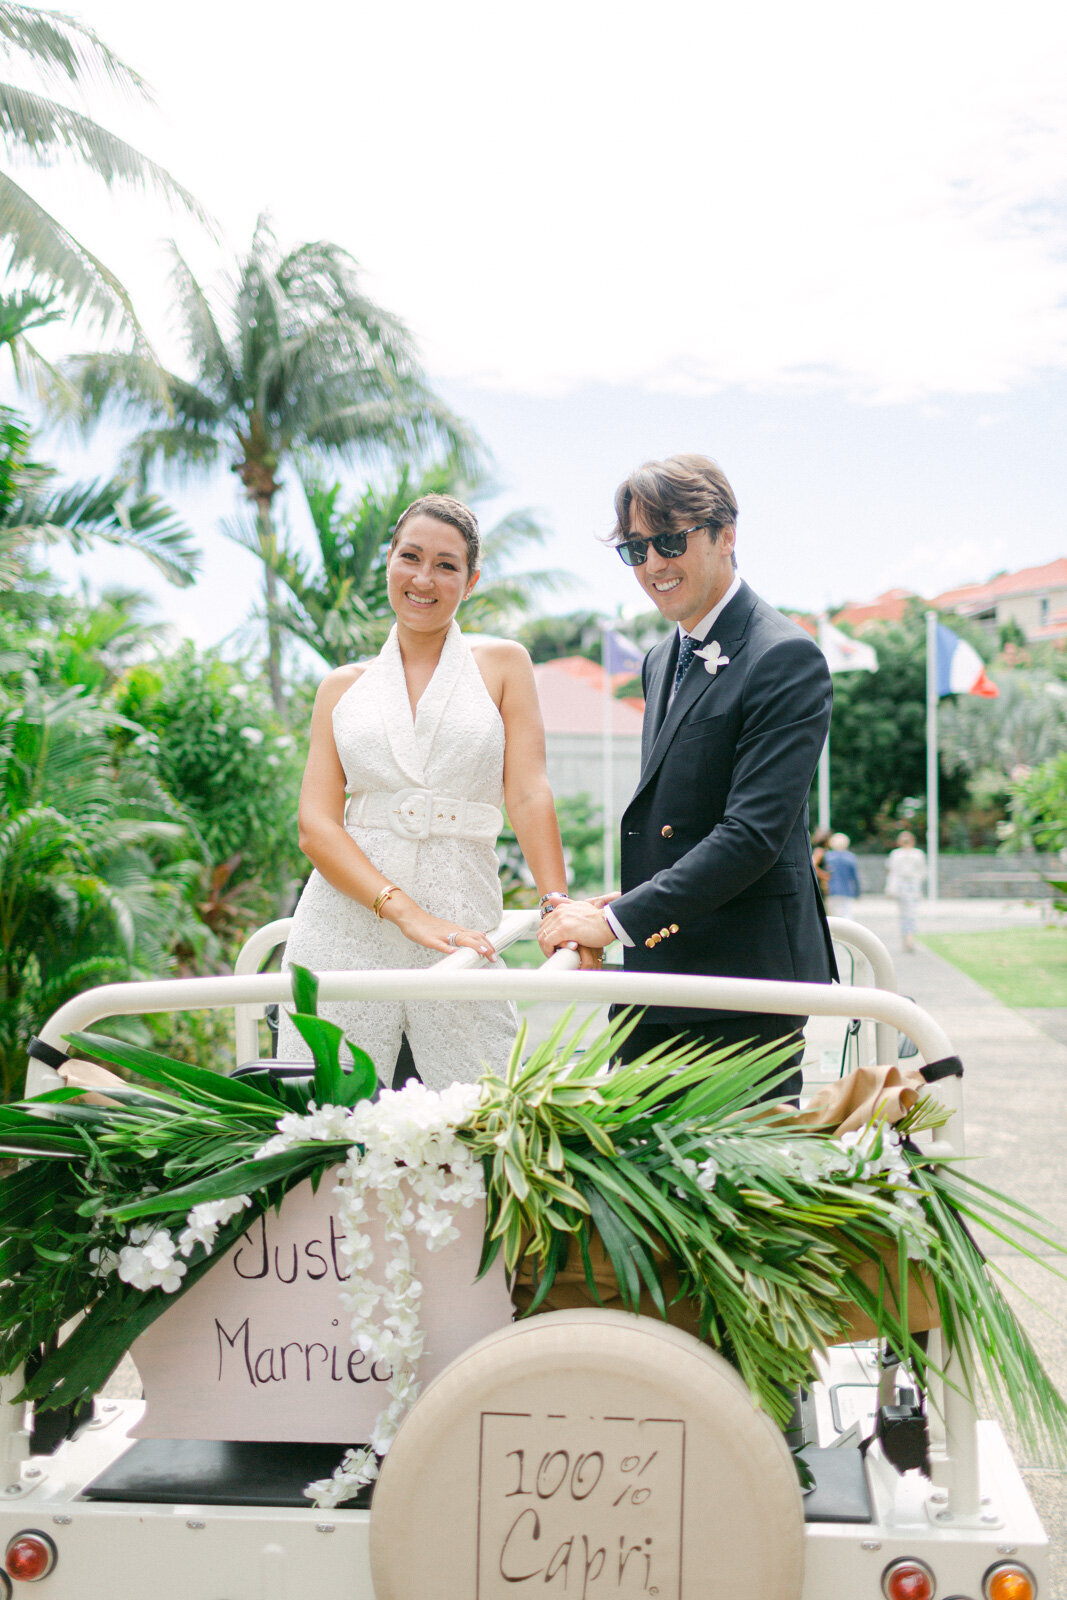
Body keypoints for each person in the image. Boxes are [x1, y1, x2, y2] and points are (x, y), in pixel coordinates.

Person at [539, 453, 836, 1101]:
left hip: (737, 985)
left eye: (669, 540)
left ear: (726, 535)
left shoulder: (784, 655)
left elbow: (751, 835)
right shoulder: (657, 658)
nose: (652, 564)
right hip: (659, 970)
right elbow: (679, 819)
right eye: (635, 548)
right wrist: (622, 909)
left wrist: (615, 926)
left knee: (733, 1198)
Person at [277, 492, 570, 1090]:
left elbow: (529, 793)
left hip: (462, 918)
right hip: (342, 925)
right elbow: (317, 827)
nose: (423, 578)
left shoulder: (504, 665)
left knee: (477, 1112)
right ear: (388, 560)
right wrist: (405, 912)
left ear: (471, 580)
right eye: (410, 556)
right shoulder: (341, 688)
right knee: (329, 1123)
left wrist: (555, 906)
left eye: (446, 565)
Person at [884, 829, 927, 952]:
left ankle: (907, 939)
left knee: (905, 914)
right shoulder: (916, 854)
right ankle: (909, 938)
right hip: (909, 886)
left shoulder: (896, 854)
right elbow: (922, 872)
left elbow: (892, 872)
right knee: (910, 914)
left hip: (904, 886)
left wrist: (890, 889)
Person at [824, 832, 860, 918]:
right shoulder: (851, 857)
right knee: (846, 915)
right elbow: (855, 876)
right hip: (846, 890)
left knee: (833, 916)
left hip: (831, 890)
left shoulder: (827, 857)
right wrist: (857, 891)